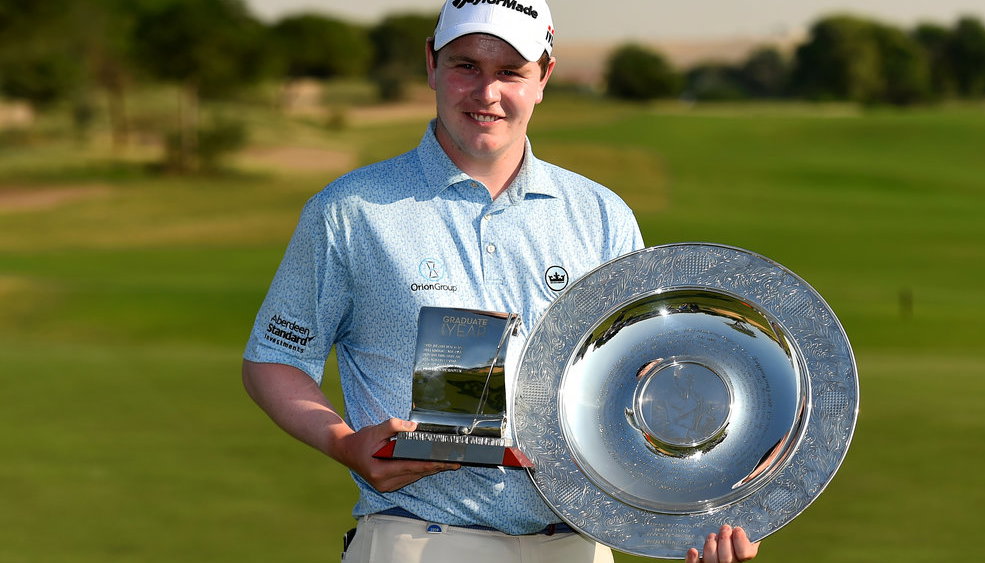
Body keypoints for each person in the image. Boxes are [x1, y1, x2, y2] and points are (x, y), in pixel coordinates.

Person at [242, 1, 760, 562]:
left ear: (544, 77)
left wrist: (700, 511)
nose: (486, 92)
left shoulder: (601, 215)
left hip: (575, 547)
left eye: (511, 72)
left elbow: (643, 383)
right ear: (432, 64)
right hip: (418, 539)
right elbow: (275, 359)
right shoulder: (351, 210)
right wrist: (343, 443)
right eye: (466, 65)